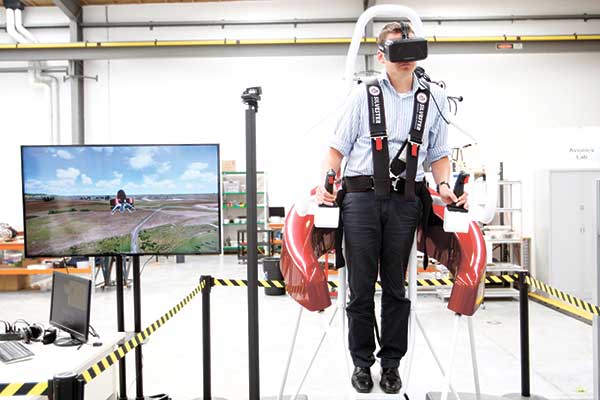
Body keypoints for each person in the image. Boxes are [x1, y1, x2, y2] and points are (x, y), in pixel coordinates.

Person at [316, 22, 468, 394]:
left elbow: (439, 154)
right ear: (381, 55)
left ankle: (391, 363)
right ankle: (362, 363)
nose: (405, 58)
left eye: (411, 49)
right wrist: (327, 184)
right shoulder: (362, 96)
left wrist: (445, 186)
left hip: (405, 202)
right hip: (361, 200)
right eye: (397, 50)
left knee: (398, 289)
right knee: (361, 287)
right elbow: (337, 150)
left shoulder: (430, 100)